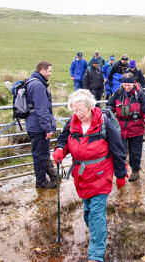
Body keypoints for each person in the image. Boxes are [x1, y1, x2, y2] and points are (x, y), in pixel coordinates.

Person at [52, 89, 127, 262]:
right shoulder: (72, 121)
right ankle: (97, 232)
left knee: (96, 214)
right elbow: (64, 138)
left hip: (101, 175)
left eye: (81, 111)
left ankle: (96, 254)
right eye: (75, 110)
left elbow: (118, 149)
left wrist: (121, 174)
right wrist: (59, 150)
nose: (78, 114)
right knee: (88, 212)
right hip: (82, 176)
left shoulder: (104, 123)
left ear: (90, 107)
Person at [106, 73, 145, 182]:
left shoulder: (140, 95)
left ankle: (135, 170)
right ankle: (121, 173)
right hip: (120, 128)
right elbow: (110, 106)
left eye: (129, 85)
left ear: (133, 83)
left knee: (135, 152)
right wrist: (107, 115)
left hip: (136, 128)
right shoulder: (118, 93)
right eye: (125, 85)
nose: (127, 87)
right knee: (119, 151)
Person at [26, 61, 57, 189]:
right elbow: (42, 110)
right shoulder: (38, 86)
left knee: (40, 154)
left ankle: (51, 176)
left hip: (33, 124)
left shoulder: (30, 82)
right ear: (42, 71)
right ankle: (41, 182)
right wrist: (47, 128)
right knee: (40, 155)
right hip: (38, 127)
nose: (50, 74)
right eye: (49, 71)